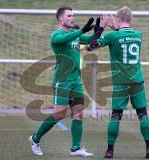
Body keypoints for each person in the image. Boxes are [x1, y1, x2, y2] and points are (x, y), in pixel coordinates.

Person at [28, 6, 97, 157]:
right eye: (69, 16)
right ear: (61, 18)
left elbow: (91, 40)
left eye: (73, 15)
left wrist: (99, 29)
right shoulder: (56, 35)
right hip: (62, 81)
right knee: (59, 114)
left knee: (78, 113)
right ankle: (35, 139)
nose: (72, 18)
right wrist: (81, 31)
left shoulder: (75, 34)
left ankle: (76, 148)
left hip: (76, 80)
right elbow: (65, 39)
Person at [89, 6, 149, 159]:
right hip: (137, 81)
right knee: (143, 114)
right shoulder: (139, 35)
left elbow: (92, 45)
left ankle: (110, 150)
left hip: (120, 82)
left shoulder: (112, 36)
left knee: (115, 116)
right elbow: (124, 36)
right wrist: (117, 28)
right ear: (130, 19)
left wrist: (101, 27)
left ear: (118, 19)